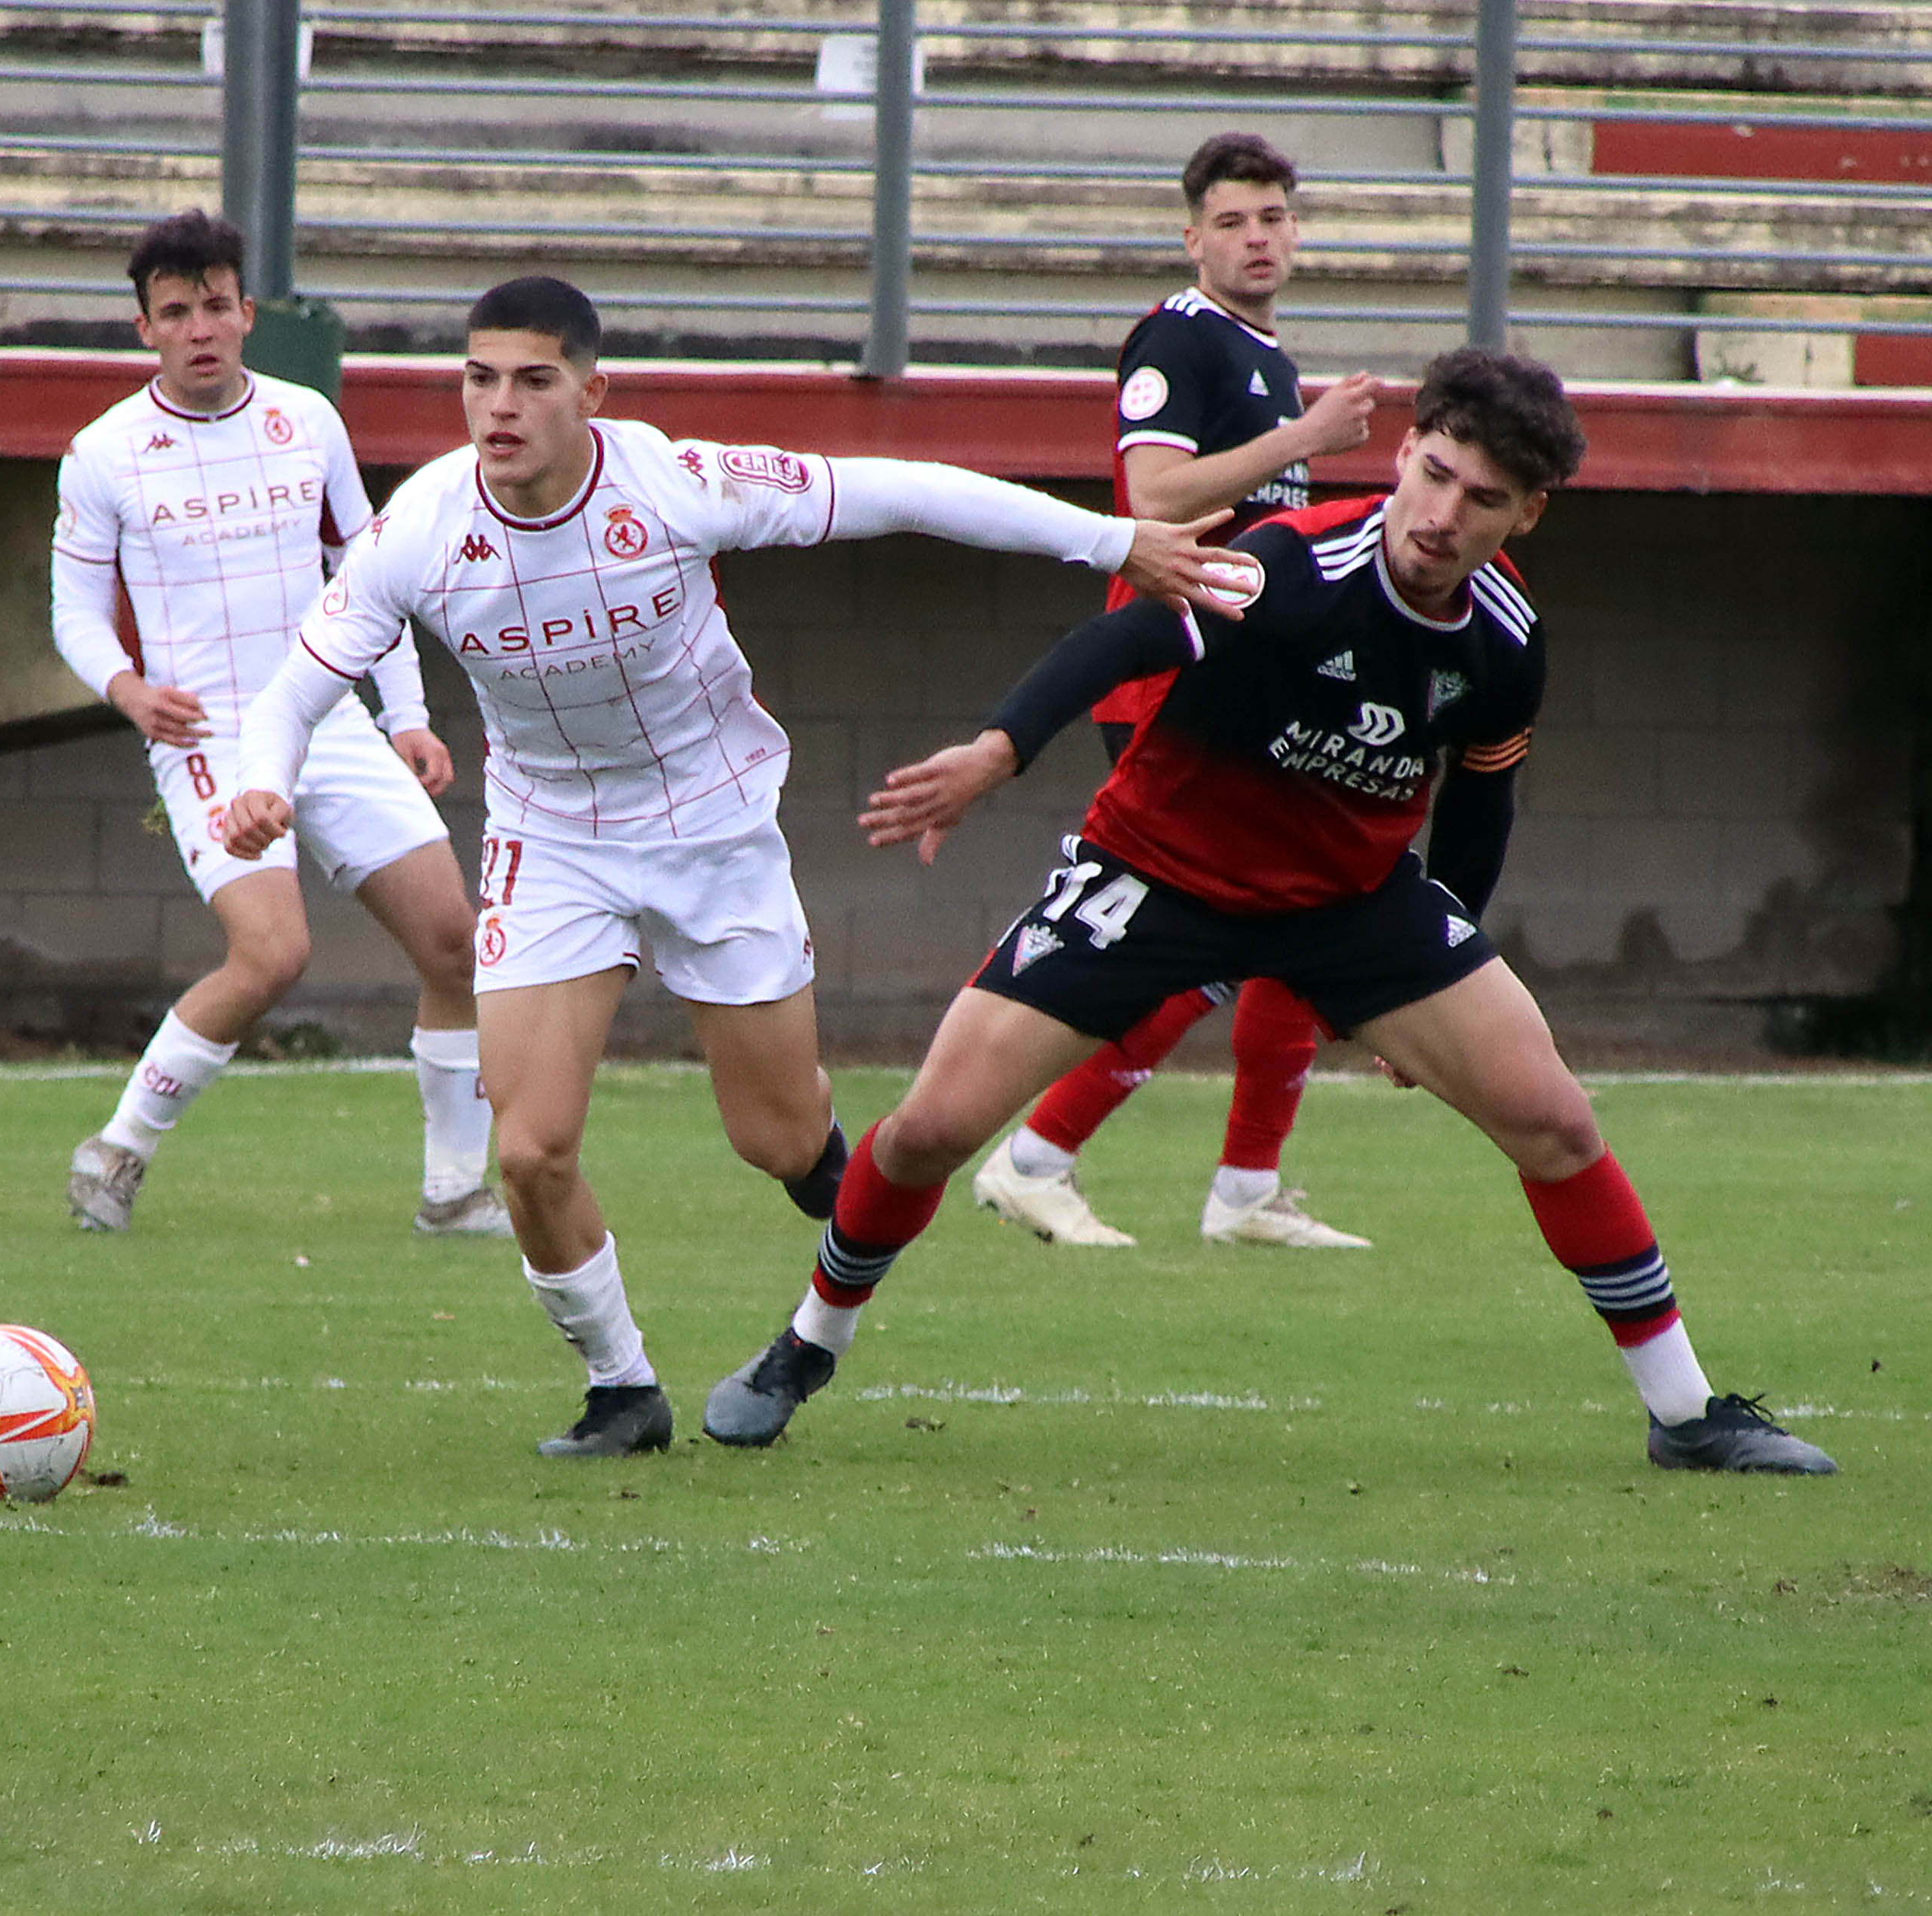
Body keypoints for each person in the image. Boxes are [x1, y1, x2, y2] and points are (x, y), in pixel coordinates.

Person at [699, 347, 1836, 1479]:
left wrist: (1450, 959)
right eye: (1433, 474)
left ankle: (1686, 1413)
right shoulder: (1292, 566)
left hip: (1352, 905)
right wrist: (997, 751)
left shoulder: (1505, 640)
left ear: (1528, 512)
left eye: (1483, 498)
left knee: (1558, 1122)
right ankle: (809, 1344)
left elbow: (1483, 798)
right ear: (1404, 452)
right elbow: (1125, 638)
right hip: (1155, 877)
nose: (1443, 514)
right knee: (933, 1131)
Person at [227, 277, 1261, 1457]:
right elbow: (294, 689)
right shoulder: (422, 528)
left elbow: (901, 492)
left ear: (592, 393)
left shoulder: (673, 483)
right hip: (550, 841)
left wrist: (1114, 538)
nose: (498, 405)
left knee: (774, 1140)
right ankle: (623, 1390)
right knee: (527, 1150)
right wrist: (263, 779)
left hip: (713, 830)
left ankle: (827, 1169)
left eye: (532, 379)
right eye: (478, 378)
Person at [974, 132, 1389, 1254]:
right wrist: (1305, 440)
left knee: (1309, 909)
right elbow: (1152, 490)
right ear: (1193, 236)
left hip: (1254, 680)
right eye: (1236, 221)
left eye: (1275, 218)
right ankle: (1034, 1157)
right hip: (1172, 676)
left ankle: (1247, 1187)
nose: (1259, 238)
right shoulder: (1180, 337)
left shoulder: (1266, 354)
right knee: (1201, 938)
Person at [56, 211, 507, 1238]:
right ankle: (118, 1148)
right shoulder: (105, 453)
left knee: (455, 946)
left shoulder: (307, 419)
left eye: (217, 305)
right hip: (207, 735)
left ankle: (451, 1190)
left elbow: (367, 575)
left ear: (247, 313)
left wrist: (407, 716)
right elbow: (73, 611)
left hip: (324, 716)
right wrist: (130, 691)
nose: (201, 326)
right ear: (147, 331)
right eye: (177, 312)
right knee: (271, 956)